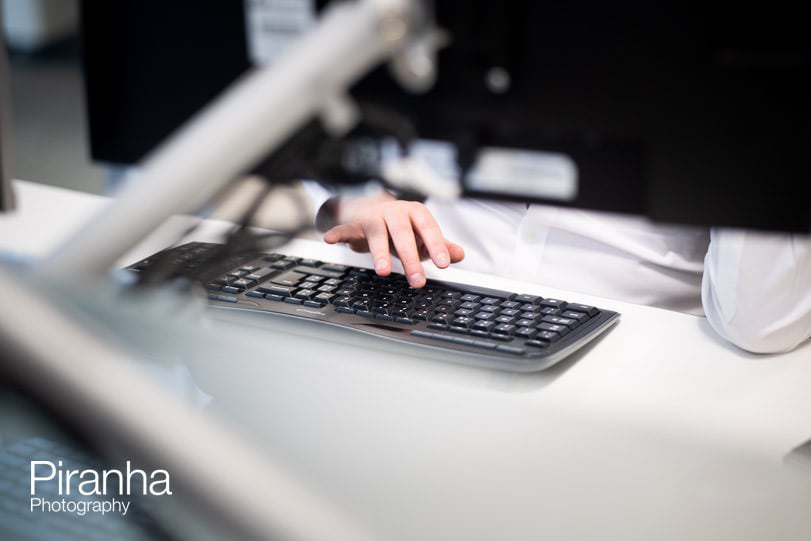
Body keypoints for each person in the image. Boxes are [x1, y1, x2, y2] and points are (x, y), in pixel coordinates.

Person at [305, 184, 811, 355]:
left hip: (630, 360)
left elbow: (759, 321)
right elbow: (320, 181)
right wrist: (355, 201)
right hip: (410, 305)